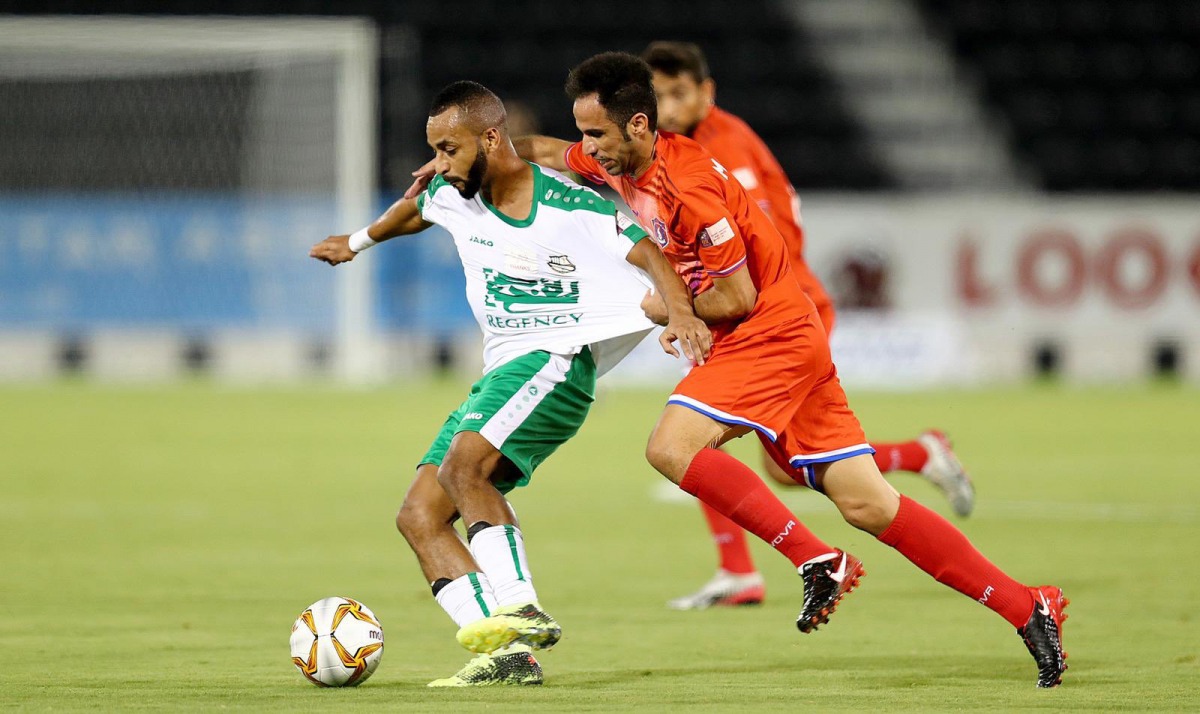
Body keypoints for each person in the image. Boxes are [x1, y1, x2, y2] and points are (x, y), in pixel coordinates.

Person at [506, 52, 1068, 688]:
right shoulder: (619, 156)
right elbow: (550, 151)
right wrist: (491, 152)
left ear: (638, 125)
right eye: (584, 132)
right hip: (787, 330)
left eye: (597, 135)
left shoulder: (690, 189)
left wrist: (669, 309)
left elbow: (735, 300)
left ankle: (814, 558)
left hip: (768, 332)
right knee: (868, 504)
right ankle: (1029, 606)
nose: (588, 149)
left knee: (671, 446)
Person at [311, 80, 711, 687]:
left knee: (462, 470)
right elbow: (414, 209)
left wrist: (681, 312)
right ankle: (505, 655)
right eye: (436, 151)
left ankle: (520, 605)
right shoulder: (451, 192)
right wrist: (358, 241)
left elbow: (650, 253)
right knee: (419, 515)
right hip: (501, 372)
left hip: (555, 362)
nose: (438, 165)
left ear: (491, 138)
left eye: (449, 149)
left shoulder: (570, 205)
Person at [640, 41, 976, 611]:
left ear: (706, 93)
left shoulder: (723, 149)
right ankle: (914, 459)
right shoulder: (682, 153)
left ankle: (747, 568)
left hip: (774, 312)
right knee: (751, 457)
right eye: (659, 96)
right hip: (754, 309)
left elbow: (749, 243)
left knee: (712, 440)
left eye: (679, 93)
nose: (668, 108)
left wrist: (693, 300)